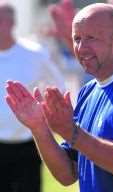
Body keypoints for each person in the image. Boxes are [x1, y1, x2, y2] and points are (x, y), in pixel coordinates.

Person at [5, 3, 113, 192]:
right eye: (77, 39)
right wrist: (39, 128)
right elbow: (67, 174)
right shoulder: (88, 91)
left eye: (91, 38)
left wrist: (71, 132)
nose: (81, 48)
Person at [0, 2, 65, 192]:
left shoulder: (34, 54)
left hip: (29, 143)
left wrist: (44, 115)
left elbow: (57, 88)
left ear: (12, 23)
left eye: (1, 20)